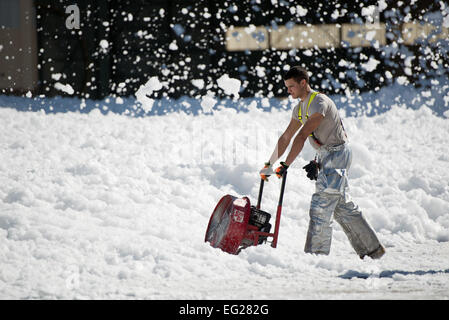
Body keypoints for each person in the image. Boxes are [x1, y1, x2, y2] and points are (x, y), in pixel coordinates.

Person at [260, 66, 385, 259]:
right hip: (325, 155)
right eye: (287, 87)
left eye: (292, 86)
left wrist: (285, 165)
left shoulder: (319, 102)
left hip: (337, 154)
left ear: (303, 83)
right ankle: (372, 249)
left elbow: (301, 136)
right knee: (341, 205)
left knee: (321, 204)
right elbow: (286, 137)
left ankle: (315, 256)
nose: (289, 91)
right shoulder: (299, 108)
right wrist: (269, 165)